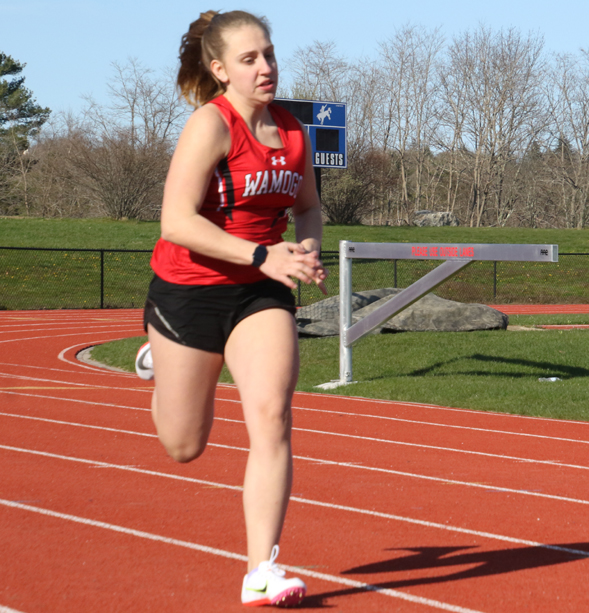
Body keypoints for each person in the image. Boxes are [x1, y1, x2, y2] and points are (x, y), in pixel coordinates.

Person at [133, 9, 327, 606]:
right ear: (219, 69)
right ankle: (159, 361)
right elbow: (176, 221)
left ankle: (261, 570)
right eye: (249, 59)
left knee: (272, 415)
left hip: (258, 293)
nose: (265, 67)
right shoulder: (209, 126)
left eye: (268, 54)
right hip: (188, 289)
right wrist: (260, 252)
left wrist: (304, 250)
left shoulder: (294, 131)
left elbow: (308, 207)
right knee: (183, 445)